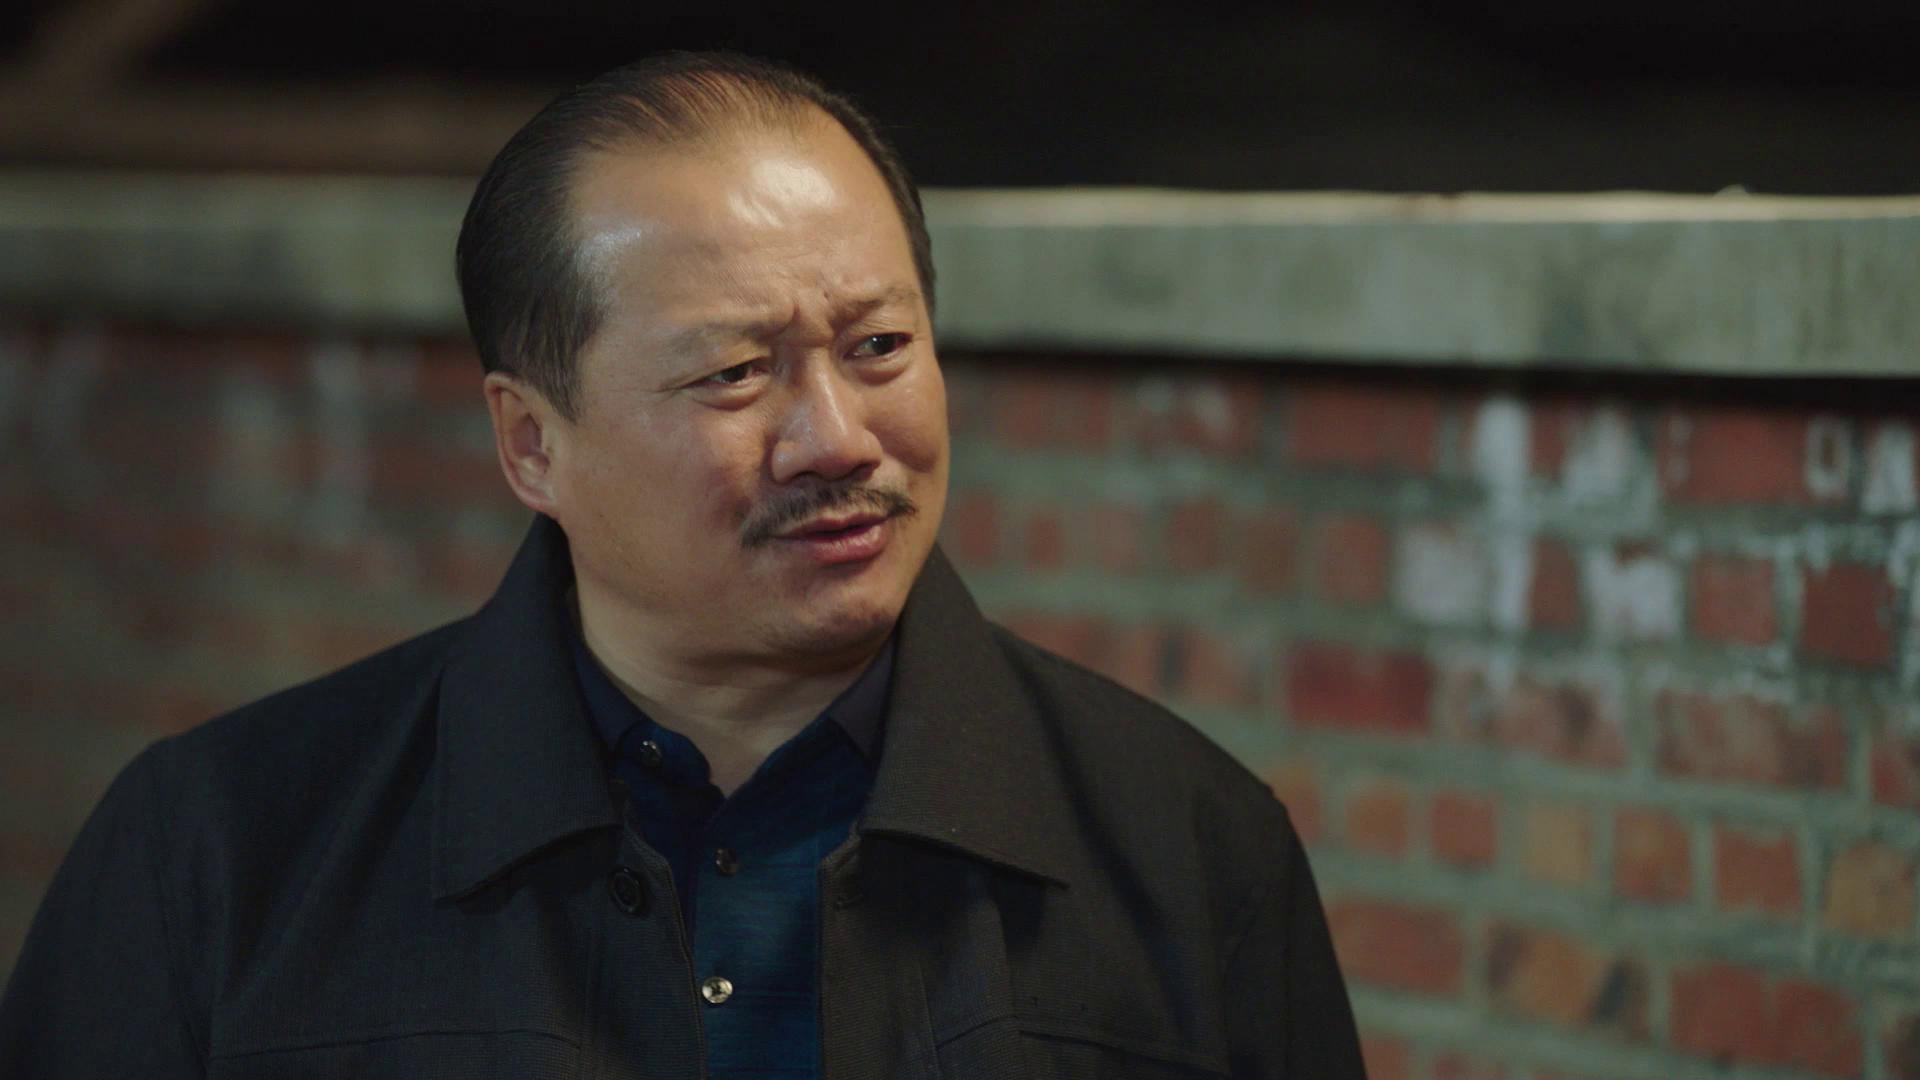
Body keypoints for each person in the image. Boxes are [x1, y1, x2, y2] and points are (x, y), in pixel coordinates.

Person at [0, 52, 1365, 1078]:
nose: (837, 438)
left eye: (879, 348)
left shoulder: (1186, 847)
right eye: (733, 373)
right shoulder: (221, 852)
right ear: (532, 443)